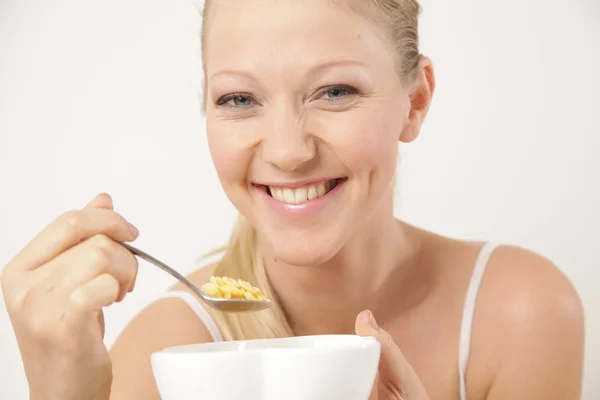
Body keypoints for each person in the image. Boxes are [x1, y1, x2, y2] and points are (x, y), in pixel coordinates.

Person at [1, 0, 585, 399]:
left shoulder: (516, 312)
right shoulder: (165, 355)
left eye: (335, 91)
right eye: (238, 99)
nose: (286, 151)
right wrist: (60, 392)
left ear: (416, 102)